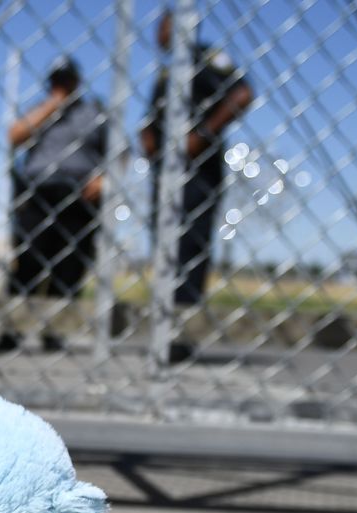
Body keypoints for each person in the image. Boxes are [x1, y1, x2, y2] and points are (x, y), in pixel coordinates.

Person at [141, 12, 253, 315]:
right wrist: (147, 135)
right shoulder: (167, 72)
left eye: (163, 27)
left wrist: (202, 134)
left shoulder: (207, 58)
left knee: (191, 239)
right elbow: (153, 115)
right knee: (163, 238)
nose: (158, 35)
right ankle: (164, 311)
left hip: (197, 166)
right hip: (164, 167)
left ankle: (184, 315)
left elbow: (242, 93)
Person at [7, 57, 111, 350]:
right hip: (39, 193)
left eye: (66, 82)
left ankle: (55, 331)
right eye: (56, 82)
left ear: (77, 82)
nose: (61, 87)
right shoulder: (39, 111)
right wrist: (53, 105)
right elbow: (14, 135)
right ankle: (12, 329)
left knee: (69, 267)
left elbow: (120, 151)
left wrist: (105, 178)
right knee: (28, 263)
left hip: (79, 197)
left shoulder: (95, 112)